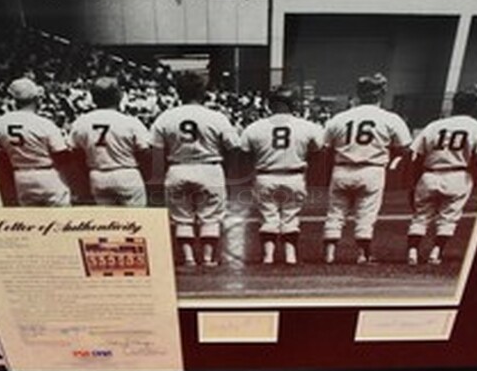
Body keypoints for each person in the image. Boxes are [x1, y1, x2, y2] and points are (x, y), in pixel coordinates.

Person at [150, 71, 239, 267]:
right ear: (204, 92)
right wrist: (229, 172)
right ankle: (207, 259)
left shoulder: (165, 117)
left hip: (178, 168)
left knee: (181, 219)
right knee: (211, 217)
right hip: (210, 168)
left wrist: (159, 178)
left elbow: (156, 151)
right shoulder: (217, 117)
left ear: (178, 92)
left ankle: (188, 258)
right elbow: (234, 147)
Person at [322, 73, 412, 264]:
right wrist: (392, 161)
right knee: (366, 214)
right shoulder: (390, 118)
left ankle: (329, 254)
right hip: (372, 169)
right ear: (380, 93)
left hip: (342, 169)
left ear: (359, 93)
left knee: (335, 213)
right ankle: (363, 254)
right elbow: (405, 148)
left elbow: (326, 148)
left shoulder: (340, 117)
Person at [406, 88, 477, 265]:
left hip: (430, 174)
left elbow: (417, 156)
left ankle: (413, 251)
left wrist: (414, 182)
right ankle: (436, 252)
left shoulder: (434, 125)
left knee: (420, 216)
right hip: (458, 175)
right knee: (449, 217)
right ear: (476, 105)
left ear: (454, 103)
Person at [239, 85, 324, 265]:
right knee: (291, 217)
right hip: (294, 175)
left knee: (268, 217)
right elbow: (318, 150)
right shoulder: (308, 126)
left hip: (265, 175)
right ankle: (290, 256)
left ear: (271, 103)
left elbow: (244, 153)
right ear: (293, 103)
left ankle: (268, 256)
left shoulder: (255, 127)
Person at [69, 76, 151, 206]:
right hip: (127, 173)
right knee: (136, 221)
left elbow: (75, 153)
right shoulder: (130, 122)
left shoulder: (81, 122)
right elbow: (145, 152)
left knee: (109, 222)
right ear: (118, 96)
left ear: (94, 98)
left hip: (98, 175)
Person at [0, 77, 71, 206]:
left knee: (32, 219)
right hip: (46, 174)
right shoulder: (44, 123)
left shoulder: (1, 123)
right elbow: (62, 156)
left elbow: (1, 158)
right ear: (36, 99)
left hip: (20, 176)